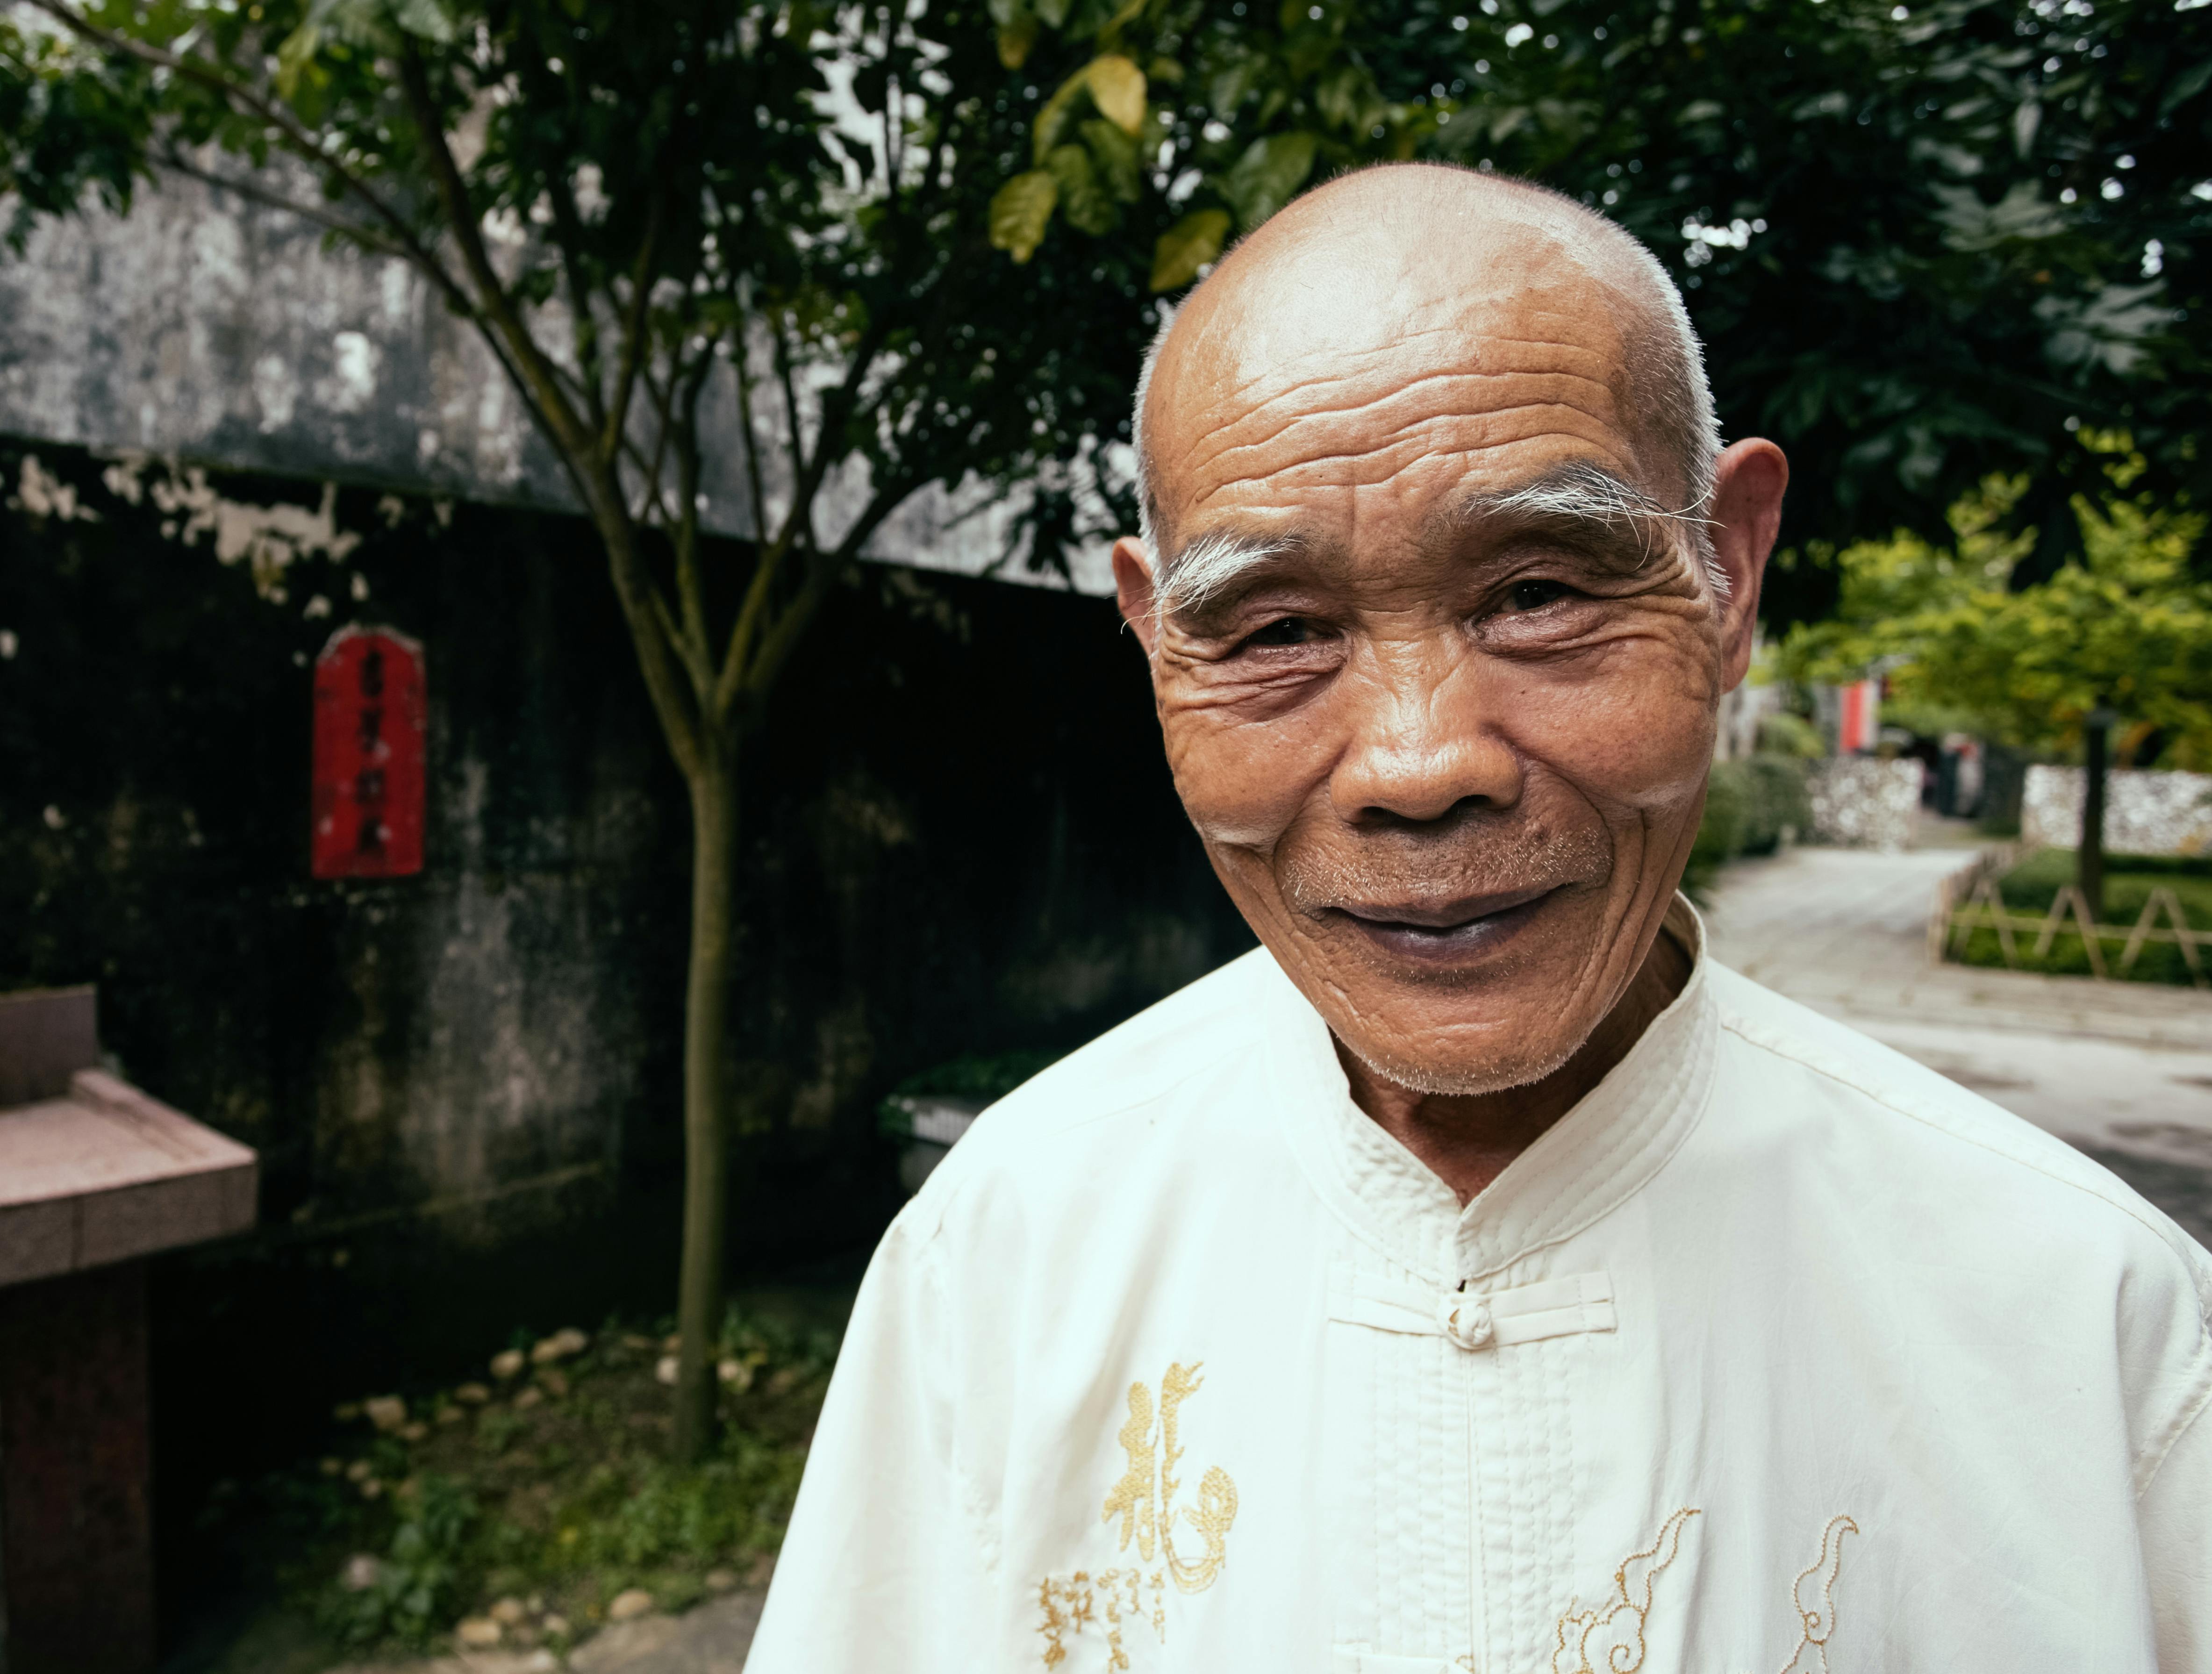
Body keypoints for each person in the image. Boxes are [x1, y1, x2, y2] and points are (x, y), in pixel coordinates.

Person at [742, 163, 2212, 1671]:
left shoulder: (2090, 1334)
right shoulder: (1009, 1248)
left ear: (1729, 574)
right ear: (1153, 639)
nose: (1420, 765)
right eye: (1279, 630)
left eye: (1537, 594)